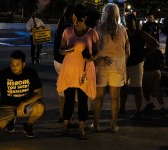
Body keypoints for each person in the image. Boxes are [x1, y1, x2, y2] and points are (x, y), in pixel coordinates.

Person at [55, 4, 99, 139]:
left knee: (82, 100)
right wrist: (65, 50)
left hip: (84, 71)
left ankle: (81, 129)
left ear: (84, 18)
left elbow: (97, 52)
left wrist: (91, 57)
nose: (75, 22)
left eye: (77, 19)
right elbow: (60, 49)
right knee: (68, 99)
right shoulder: (68, 31)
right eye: (73, 19)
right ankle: (65, 127)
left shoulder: (92, 33)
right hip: (69, 69)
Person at [0, 50, 44, 138]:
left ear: (23, 64)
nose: (14, 67)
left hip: (25, 106)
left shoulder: (31, 73)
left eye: (17, 65)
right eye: (12, 64)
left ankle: (28, 126)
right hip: (7, 106)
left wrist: (24, 103)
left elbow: (39, 94)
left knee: (40, 107)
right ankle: (10, 120)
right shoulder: (3, 74)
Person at [93, 3, 130, 132]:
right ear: (117, 14)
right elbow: (127, 51)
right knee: (115, 97)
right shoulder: (122, 29)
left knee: (99, 97)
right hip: (118, 65)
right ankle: (113, 125)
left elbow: (94, 48)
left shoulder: (98, 29)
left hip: (102, 63)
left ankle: (96, 124)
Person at [120, 13, 159, 118]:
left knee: (137, 88)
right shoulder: (125, 33)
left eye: (130, 21)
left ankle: (138, 111)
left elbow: (155, 44)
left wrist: (145, 55)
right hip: (126, 63)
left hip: (137, 63)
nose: (128, 23)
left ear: (134, 21)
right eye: (126, 21)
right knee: (123, 87)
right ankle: (121, 109)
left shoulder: (140, 33)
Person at [53, 4, 74, 123]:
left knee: (62, 90)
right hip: (66, 62)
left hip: (57, 61)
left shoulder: (59, 26)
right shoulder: (70, 29)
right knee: (70, 92)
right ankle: (69, 119)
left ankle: (62, 115)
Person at [142, 48, 166, 114]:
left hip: (147, 72)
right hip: (157, 72)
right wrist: (161, 70)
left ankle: (149, 103)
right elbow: (163, 62)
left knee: (144, 89)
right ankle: (162, 106)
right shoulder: (158, 51)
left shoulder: (145, 51)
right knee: (157, 90)